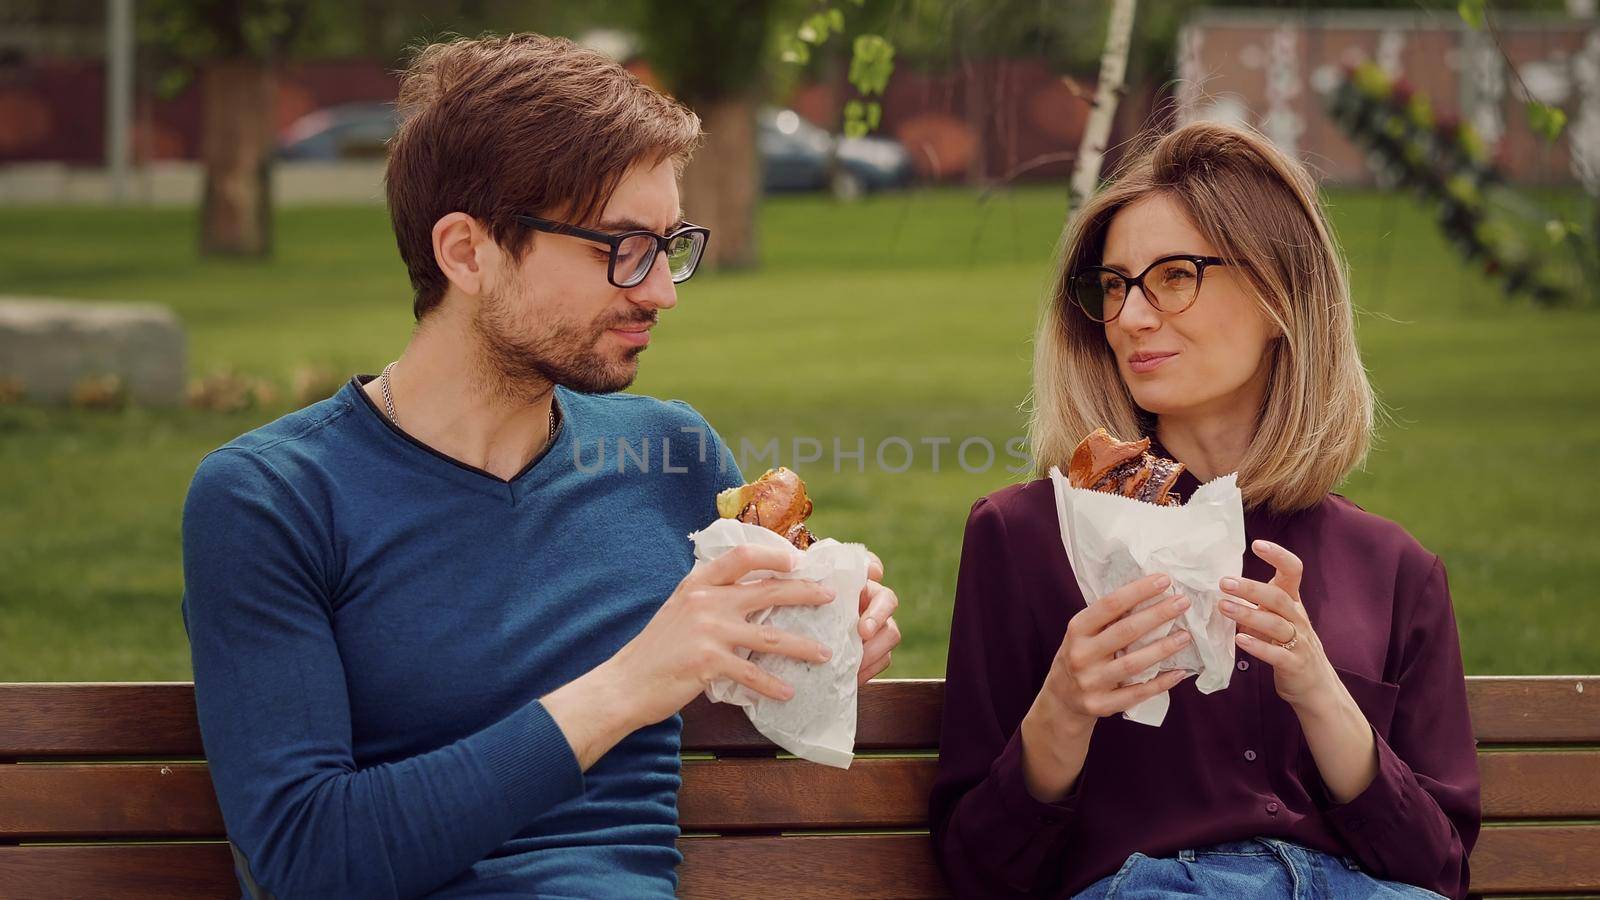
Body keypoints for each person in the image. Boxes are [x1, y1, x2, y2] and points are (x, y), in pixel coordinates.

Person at [181, 34, 900, 899]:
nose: (662, 291)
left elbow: (728, 685)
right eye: (622, 248)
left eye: (669, 245)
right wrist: (630, 683)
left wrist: (816, 648)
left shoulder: (670, 457)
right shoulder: (272, 499)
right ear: (467, 253)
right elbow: (308, 859)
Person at [929, 121, 1479, 899]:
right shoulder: (1028, 537)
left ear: (1279, 292)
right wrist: (1062, 711)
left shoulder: (1393, 568)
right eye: (1114, 285)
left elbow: (1439, 874)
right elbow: (977, 874)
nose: (1130, 317)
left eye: (1174, 276)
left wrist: (1323, 694)